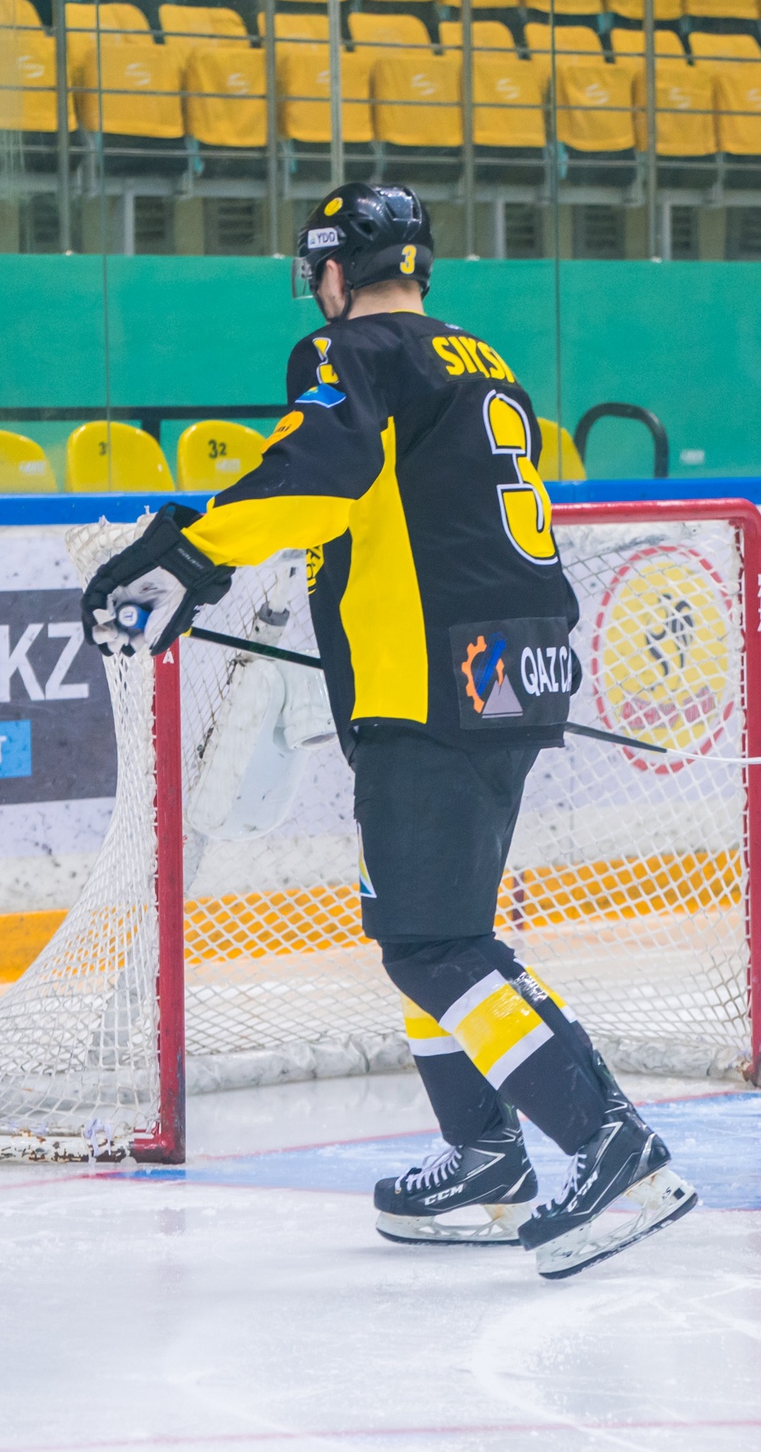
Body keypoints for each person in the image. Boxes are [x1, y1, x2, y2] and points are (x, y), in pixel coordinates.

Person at [78, 184, 695, 1278]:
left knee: (435, 942)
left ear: (331, 272)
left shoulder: (349, 352)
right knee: (420, 927)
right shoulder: (482, 359)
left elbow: (316, 479)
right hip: (508, 668)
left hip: (428, 686)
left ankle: (611, 1145)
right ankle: (485, 1153)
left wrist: (191, 551)